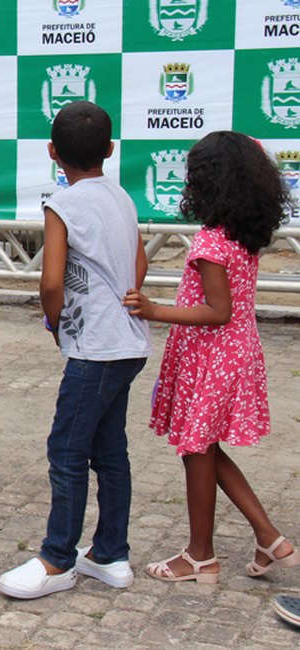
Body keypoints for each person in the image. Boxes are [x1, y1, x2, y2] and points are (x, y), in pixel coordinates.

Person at [122, 131, 297, 584]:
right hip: (233, 353)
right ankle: (269, 537)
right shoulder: (242, 234)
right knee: (205, 450)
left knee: (196, 450)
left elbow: (219, 311)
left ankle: (201, 556)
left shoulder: (210, 244)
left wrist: (155, 309)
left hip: (212, 357)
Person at [0, 101, 151, 599]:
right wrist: (125, 296)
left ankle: (58, 559)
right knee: (110, 451)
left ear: (51, 152)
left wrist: (56, 320)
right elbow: (139, 260)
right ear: (109, 149)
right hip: (127, 342)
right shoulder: (122, 197)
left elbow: (50, 281)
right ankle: (110, 554)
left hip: (96, 348)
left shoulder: (62, 203)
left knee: (66, 450)